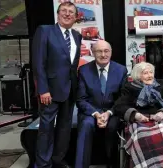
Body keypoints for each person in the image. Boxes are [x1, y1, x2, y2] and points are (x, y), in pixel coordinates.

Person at [31, 2, 82, 168]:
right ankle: (43, 164)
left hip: (70, 91)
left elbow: (72, 65)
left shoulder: (76, 35)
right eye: (64, 11)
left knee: (64, 129)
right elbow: (38, 63)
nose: (67, 14)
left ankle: (57, 161)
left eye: (71, 12)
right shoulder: (45, 31)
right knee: (46, 130)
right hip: (50, 92)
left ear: (75, 17)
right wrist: (43, 89)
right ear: (58, 14)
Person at [114, 62, 163, 168]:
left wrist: (162, 113)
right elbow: (119, 106)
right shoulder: (130, 87)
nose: (150, 75)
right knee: (141, 134)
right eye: (145, 73)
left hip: (160, 119)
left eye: (151, 72)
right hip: (139, 121)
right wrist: (136, 115)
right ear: (138, 75)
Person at [75, 40, 128, 168]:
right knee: (86, 125)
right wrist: (96, 114)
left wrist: (109, 113)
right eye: (99, 51)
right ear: (93, 53)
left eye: (106, 51)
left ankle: (112, 165)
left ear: (111, 52)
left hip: (113, 111)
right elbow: (80, 99)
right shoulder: (84, 71)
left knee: (113, 126)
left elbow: (123, 98)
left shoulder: (121, 70)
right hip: (91, 112)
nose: (103, 54)